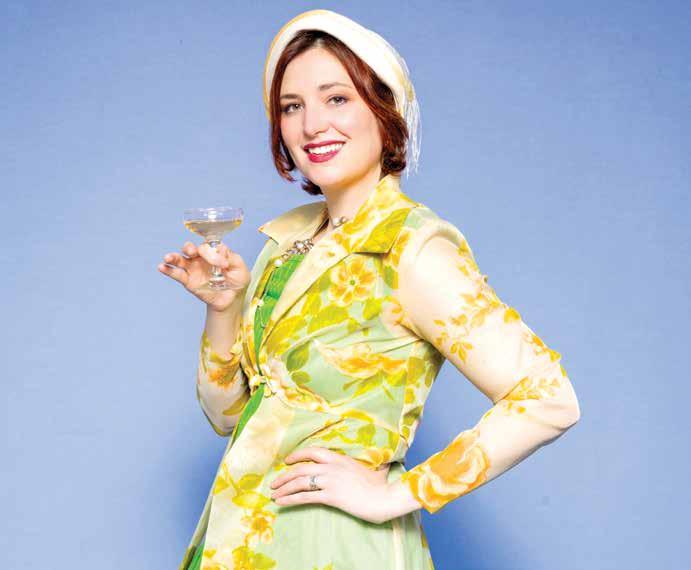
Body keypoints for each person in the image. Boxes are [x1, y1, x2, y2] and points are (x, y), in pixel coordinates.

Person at [158, 9, 581, 570]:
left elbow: (548, 397)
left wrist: (400, 493)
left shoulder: (411, 247)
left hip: (335, 546)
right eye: (291, 106)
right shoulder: (286, 244)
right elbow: (230, 417)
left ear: (384, 109)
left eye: (337, 99)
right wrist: (224, 307)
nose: (312, 125)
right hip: (238, 538)